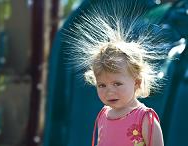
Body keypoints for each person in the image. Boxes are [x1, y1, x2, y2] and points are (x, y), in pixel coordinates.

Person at [65, 1, 166, 146]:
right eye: (102, 85)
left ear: (136, 82)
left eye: (117, 83)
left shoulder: (144, 118)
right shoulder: (103, 115)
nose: (109, 91)